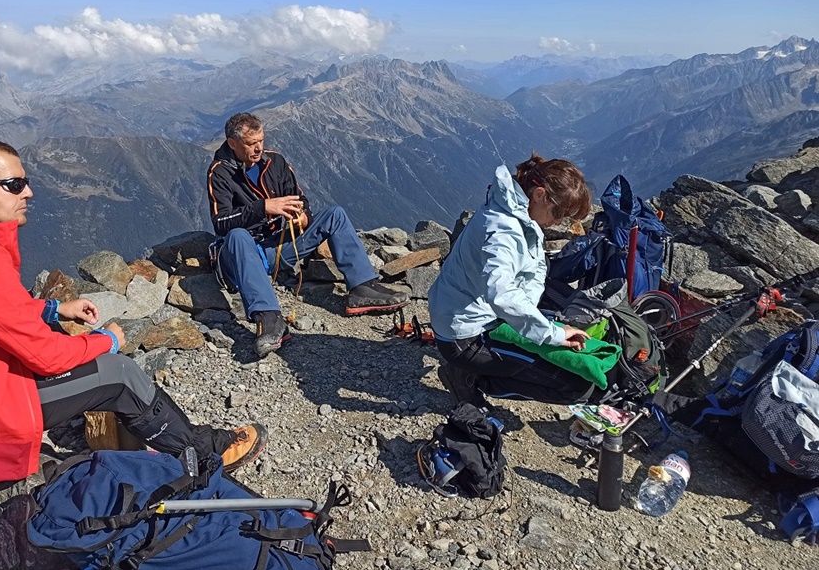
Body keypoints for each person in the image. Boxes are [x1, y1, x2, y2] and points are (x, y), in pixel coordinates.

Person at [0, 139, 265, 492]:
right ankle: (202, 456)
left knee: (83, 355)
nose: (28, 193)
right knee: (118, 373)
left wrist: (53, 307)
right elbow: (45, 357)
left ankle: (161, 445)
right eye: (14, 184)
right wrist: (108, 340)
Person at [207, 112, 409, 358]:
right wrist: (264, 207)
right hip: (242, 253)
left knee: (335, 214)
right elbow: (221, 223)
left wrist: (302, 217)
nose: (258, 148)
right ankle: (270, 319)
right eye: (251, 144)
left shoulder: (275, 162)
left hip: (276, 246)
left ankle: (362, 288)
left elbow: (300, 199)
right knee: (237, 235)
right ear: (232, 143)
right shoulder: (220, 172)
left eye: (261, 140)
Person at [429, 153, 594, 406]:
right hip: (466, 336)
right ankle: (468, 378)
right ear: (539, 194)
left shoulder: (513, 209)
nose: (559, 221)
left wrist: (540, 322)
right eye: (559, 211)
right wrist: (552, 334)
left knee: (564, 364)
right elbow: (502, 293)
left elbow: (530, 270)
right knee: (575, 387)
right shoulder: (503, 230)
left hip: (473, 317)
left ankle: (475, 369)